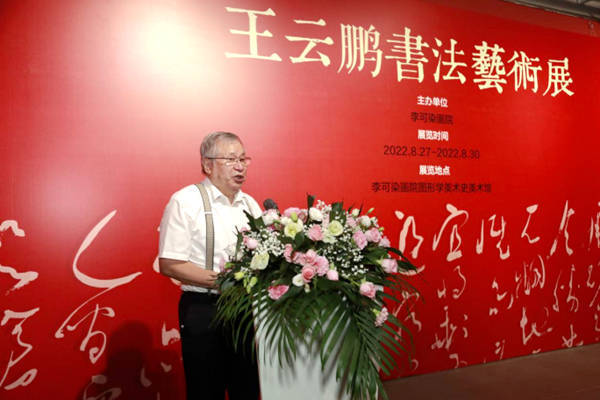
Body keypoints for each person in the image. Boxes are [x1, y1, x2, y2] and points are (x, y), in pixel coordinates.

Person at [158, 131, 262, 400]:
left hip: (244, 310)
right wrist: (224, 281)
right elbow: (170, 263)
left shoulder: (250, 205)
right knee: (206, 390)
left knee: (247, 388)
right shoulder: (185, 201)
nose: (240, 166)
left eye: (243, 159)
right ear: (207, 164)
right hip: (204, 309)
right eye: (231, 159)